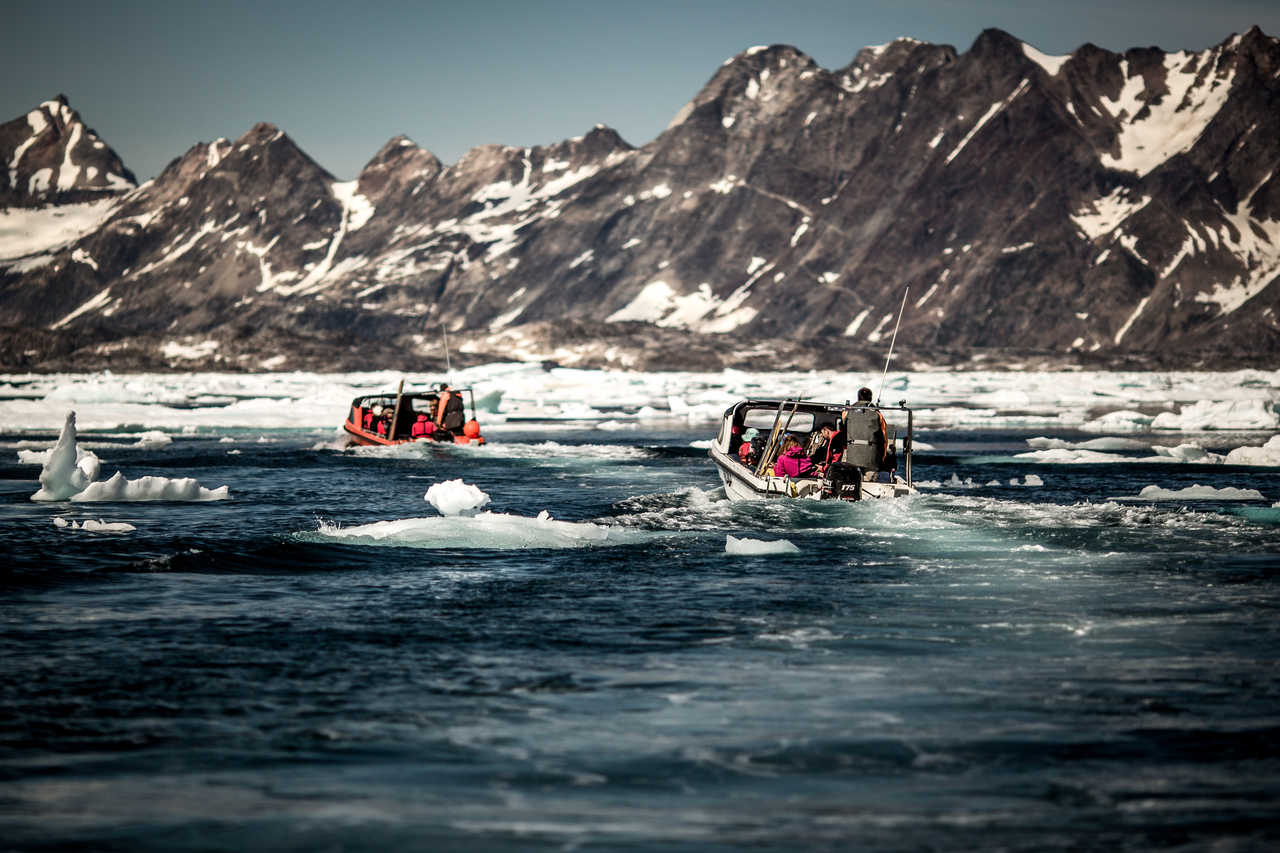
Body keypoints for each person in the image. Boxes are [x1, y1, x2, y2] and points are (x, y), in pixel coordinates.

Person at [852, 387, 888, 467]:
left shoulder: (848, 412)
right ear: (870, 398)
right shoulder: (877, 415)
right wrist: (883, 458)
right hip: (871, 460)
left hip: (850, 459)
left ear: (858, 398)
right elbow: (884, 439)